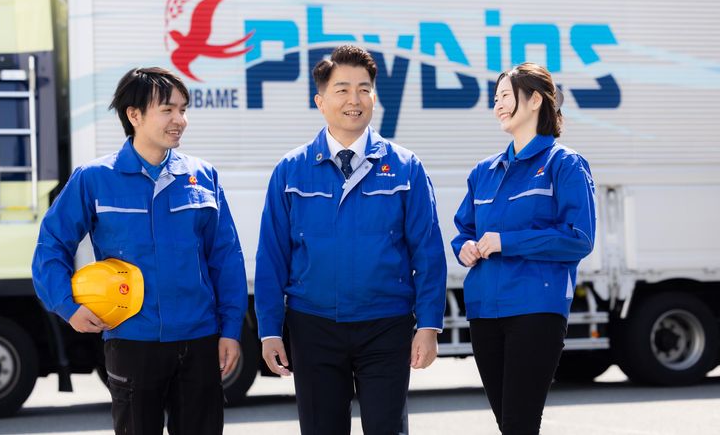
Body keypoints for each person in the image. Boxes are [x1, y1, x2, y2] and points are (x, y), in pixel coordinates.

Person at [32, 67, 247, 435]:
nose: (180, 120)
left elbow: (226, 258)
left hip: (198, 338)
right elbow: (51, 245)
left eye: (183, 110)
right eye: (168, 110)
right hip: (132, 339)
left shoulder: (202, 176)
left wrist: (230, 330)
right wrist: (67, 306)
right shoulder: (95, 178)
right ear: (134, 115)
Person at [254, 44, 447, 435]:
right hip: (313, 325)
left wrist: (429, 325)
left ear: (375, 97)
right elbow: (272, 256)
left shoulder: (405, 168)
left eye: (364, 89)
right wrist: (270, 329)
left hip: (386, 324)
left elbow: (428, 253)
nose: (354, 100)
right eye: (342, 90)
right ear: (320, 101)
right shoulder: (291, 171)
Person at [451, 62, 596, 435]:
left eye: (505, 96)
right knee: (509, 424)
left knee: (519, 423)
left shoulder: (564, 164)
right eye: (495, 98)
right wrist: (464, 247)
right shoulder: (484, 171)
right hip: (484, 310)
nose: (498, 105)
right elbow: (464, 229)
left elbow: (579, 237)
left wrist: (507, 242)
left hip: (536, 307)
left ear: (534, 100)